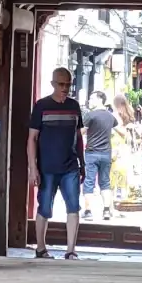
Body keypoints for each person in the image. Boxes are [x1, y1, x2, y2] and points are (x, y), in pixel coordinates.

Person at [27, 68, 86, 259]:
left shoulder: (74, 106)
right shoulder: (41, 106)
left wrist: (82, 163)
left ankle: (71, 250)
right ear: (53, 84)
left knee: (74, 207)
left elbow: (78, 137)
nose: (65, 88)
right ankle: (41, 248)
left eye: (68, 84)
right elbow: (32, 138)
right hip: (47, 167)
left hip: (70, 166)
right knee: (44, 206)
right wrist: (33, 168)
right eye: (61, 84)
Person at [81, 90, 118, 220]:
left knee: (89, 182)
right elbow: (118, 130)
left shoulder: (90, 116)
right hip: (106, 153)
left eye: (91, 98)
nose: (89, 101)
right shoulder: (110, 116)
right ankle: (106, 210)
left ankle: (88, 211)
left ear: (99, 100)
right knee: (105, 182)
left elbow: (81, 132)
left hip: (91, 153)